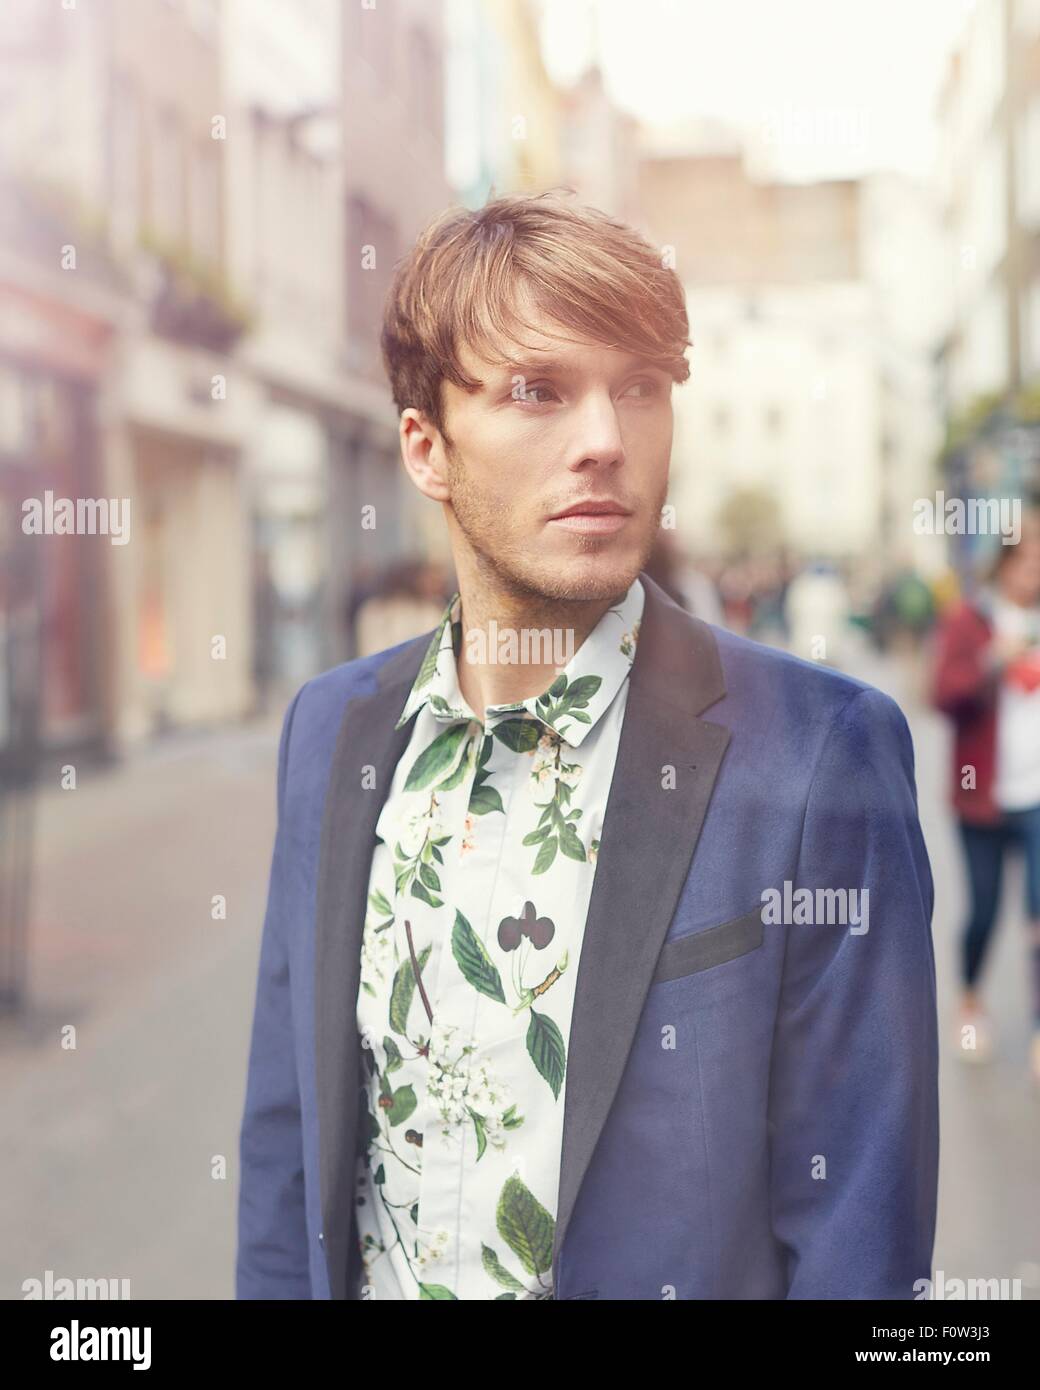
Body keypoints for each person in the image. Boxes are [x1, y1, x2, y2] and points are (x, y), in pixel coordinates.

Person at [236, 190, 938, 1301]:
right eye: (537, 392)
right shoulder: (333, 732)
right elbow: (286, 1157)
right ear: (425, 448)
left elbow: (861, 1235)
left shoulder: (815, 758)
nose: (606, 441)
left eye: (642, 389)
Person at [930, 506, 1040, 1079]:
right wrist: (990, 665)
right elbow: (944, 694)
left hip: (1037, 796)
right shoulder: (972, 619)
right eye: (1025, 558)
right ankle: (970, 999)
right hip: (983, 797)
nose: (1034, 570)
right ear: (1004, 560)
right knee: (986, 911)